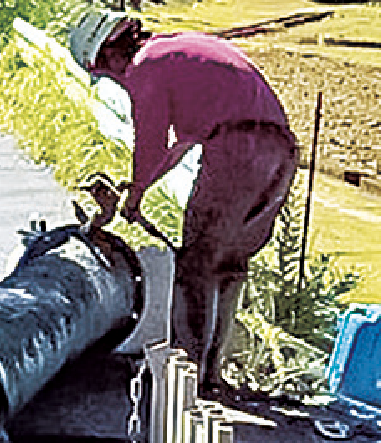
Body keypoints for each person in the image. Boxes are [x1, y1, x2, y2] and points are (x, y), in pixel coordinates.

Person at [68, 7, 298, 394]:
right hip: (280, 152)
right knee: (227, 265)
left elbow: (151, 143)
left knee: (194, 266)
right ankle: (210, 373)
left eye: (104, 74)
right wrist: (138, 188)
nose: (114, 82)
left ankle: (186, 377)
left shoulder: (146, 67)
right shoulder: (178, 52)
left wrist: (136, 194)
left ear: (108, 54)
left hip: (237, 149)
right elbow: (176, 148)